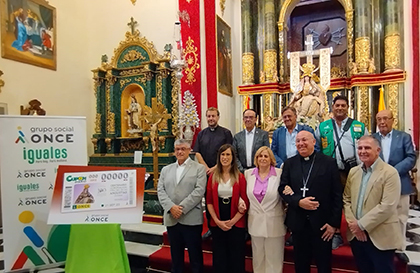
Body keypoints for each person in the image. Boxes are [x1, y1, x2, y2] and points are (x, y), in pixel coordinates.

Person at [279, 130, 342, 273]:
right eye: (298, 141)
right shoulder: (290, 163)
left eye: (304, 140)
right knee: (301, 265)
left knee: (323, 265)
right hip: (298, 223)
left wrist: (333, 224)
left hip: (322, 224)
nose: (301, 144)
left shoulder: (328, 163)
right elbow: (282, 188)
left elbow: (337, 195)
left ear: (314, 142)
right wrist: (298, 201)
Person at [343, 135, 402, 273]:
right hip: (357, 236)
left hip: (380, 235)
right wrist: (354, 225)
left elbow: (387, 206)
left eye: (367, 148)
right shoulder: (354, 172)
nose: (363, 151)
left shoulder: (390, 173)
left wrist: (361, 225)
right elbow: (346, 199)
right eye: (360, 148)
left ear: (378, 150)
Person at [315, 95, 367, 249]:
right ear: (332, 107)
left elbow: (366, 145)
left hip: (353, 171)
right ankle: (335, 233)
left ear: (347, 107)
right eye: (337, 105)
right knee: (333, 202)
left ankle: (357, 231)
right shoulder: (323, 126)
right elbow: (316, 147)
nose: (340, 108)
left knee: (355, 201)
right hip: (331, 171)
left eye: (343, 105)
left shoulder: (358, 126)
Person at [373, 110, 416, 262]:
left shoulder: (403, 137)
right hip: (377, 184)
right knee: (379, 215)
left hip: (400, 182)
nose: (382, 122)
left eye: (385, 118)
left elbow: (411, 157)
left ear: (392, 120)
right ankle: (380, 244)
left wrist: (392, 171)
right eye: (379, 119)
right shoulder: (373, 138)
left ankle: (399, 247)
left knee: (400, 216)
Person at [157, 139, 206, 273]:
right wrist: (171, 207)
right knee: (176, 257)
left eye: (183, 149)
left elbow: (199, 191)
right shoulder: (166, 169)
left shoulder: (199, 169)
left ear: (189, 150)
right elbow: (160, 190)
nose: (180, 151)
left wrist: (181, 208)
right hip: (172, 219)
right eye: (177, 149)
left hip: (191, 219)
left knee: (195, 256)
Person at [206, 144, 249, 273]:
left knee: (236, 257)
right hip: (218, 219)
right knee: (219, 257)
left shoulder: (240, 176)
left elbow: (245, 201)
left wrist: (232, 221)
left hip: (236, 221)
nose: (225, 157)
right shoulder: (213, 176)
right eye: (222, 155)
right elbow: (209, 202)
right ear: (219, 157)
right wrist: (218, 221)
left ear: (233, 157)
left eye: (228, 154)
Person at [245, 146, 286, 273]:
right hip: (255, 221)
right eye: (260, 156)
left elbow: (285, 193)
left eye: (266, 156)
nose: (263, 159)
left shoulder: (279, 174)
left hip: (274, 222)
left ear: (271, 159)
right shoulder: (248, 174)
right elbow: (243, 194)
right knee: (258, 258)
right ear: (256, 159)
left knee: (274, 259)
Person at [194, 107, 233, 175]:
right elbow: (197, 152)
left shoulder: (226, 133)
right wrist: (206, 168)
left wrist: (215, 168)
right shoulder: (201, 134)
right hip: (204, 171)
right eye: (209, 116)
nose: (211, 118)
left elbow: (229, 153)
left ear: (218, 117)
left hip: (221, 170)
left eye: (213, 116)